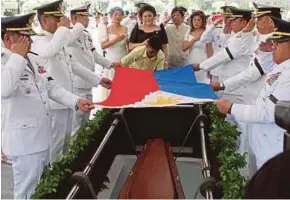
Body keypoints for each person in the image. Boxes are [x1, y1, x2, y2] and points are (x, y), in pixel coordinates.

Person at [1, 13, 94, 199]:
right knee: (27, 190)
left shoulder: (32, 58)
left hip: (42, 136)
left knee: (40, 187)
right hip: (24, 141)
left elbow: (51, 86)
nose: (29, 41)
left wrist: (75, 101)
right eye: (23, 37)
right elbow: (4, 89)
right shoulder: (5, 60)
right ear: (7, 38)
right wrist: (18, 57)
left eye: (29, 36)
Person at [31, 0, 112, 162]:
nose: (62, 21)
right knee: (55, 147)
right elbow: (49, 52)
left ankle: (63, 177)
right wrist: (63, 29)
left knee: (66, 145)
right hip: (53, 103)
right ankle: (50, 181)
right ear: (45, 20)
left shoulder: (57, 39)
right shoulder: (38, 40)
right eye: (57, 18)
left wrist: (98, 79)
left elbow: (73, 65)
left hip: (67, 99)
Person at [215, 16, 290, 172]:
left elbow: (269, 112)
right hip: (265, 143)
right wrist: (263, 50)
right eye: (272, 42)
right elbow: (263, 64)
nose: (272, 47)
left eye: (276, 43)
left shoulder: (288, 74)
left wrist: (231, 109)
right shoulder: (281, 66)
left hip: (274, 149)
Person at [68, 4, 118, 136]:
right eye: (83, 17)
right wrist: (78, 26)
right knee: (76, 125)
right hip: (76, 84)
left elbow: (94, 54)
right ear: (74, 19)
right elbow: (67, 41)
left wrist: (110, 64)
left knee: (85, 123)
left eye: (87, 16)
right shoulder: (69, 34)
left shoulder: (86, 35)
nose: (87, 19)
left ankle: (81, 155)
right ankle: (72, 155)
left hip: (89, 84)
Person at [193, 7, 254, 103]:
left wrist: (200, 66)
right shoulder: (237, 35)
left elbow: (223, 55)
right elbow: (224, 47)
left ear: (244, 23)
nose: (230, 22)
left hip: (234, 88)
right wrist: (225, 33)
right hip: (227, 83)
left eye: (234, 20)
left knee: (230, 115)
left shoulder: (243, 38)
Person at [199, 6, 236, 81]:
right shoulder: (217, 29)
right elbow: (203, 39)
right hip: (216, 68)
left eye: (230, 16)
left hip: (231, 69)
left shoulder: (238, 31)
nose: (227, 18)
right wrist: (213, 25)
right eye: (225, 16)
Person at [128, 4, 169, 68]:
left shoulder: (160, 28)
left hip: (156, 63)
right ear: (142, 17)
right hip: (139, 64)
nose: (147, 18)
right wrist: (142, 44)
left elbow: (164, 47)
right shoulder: (137, 28)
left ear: (154, 16)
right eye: (145, 16)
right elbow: (130, 46)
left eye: (150, 16)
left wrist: (165, 62)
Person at [183, 10, 213, 83]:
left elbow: (210, 51)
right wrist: (194, 40)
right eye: (194, 20)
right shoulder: (189, 31)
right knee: (190, 82)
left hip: (203, 61)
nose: (196, 22)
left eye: (198, 20)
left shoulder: (206, 32)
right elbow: (184, 48)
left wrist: (210, 67)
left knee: (202, 82)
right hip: (190, 61)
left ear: (202, 21)